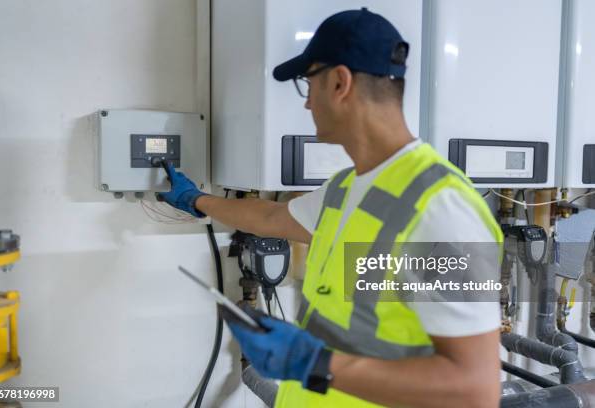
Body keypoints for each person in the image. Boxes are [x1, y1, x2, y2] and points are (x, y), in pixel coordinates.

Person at [159, 8, 503, 408]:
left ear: (340, 82)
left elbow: (475, 390)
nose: (307, 106)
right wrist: (194, 200)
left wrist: (313, 362)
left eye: (308, 84)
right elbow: (271, 218)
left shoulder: (442, 210)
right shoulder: (346, 188)